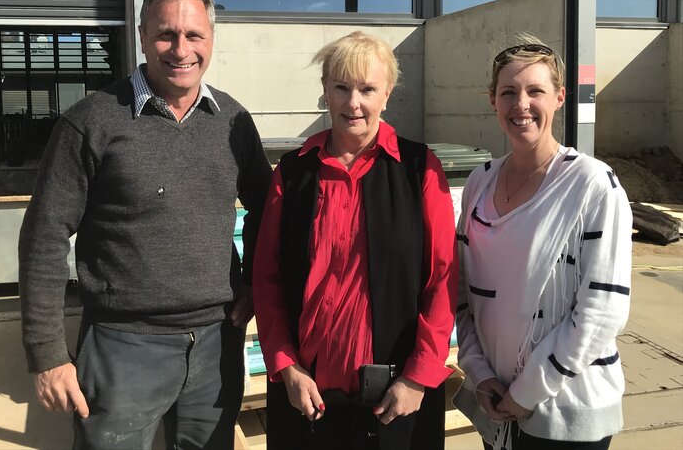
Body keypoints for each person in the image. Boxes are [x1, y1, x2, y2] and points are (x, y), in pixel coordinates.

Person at [18, 0, 272, 450]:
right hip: (122, 346)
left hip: (217, 342)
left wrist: (256, 282)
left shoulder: (233, 122)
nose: (181, 49)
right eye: (165, 34)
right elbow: (44, 236)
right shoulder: (92, 120)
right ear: (142, 36)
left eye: (194, 34)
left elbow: (267, 207)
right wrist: (47, 353)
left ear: (211, 38)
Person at [253, 31, 458, 450]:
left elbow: (443, 278)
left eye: (367, 89)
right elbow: (267, 277)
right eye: (341, 87)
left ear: (387, 94)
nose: (353, 103)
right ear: (325, 91)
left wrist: (419, 376)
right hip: (306, 397)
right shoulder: (292, 173)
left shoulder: (419, 169)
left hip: (397, 398)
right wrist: (285, 365)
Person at [455, 36, 632, 450]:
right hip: (497, 404)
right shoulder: (479, 182)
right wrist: (480, 373)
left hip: (566, 413)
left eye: (535, 91)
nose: (521, 104)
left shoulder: (592, 185)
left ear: (559, 98)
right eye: (508, 92)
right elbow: (463, 293)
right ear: (493, 101)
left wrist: (526, 392)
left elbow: (603, 311)